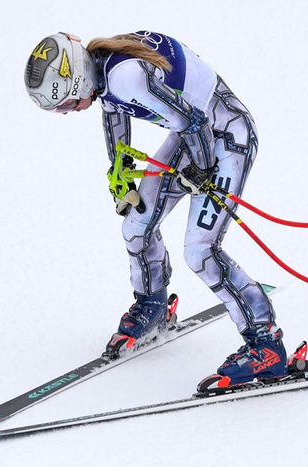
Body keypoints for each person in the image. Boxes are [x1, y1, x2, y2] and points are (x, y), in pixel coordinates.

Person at [24, 30, 288, 392]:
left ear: (79, 80)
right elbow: (114, 114)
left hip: (227, 137)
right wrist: (120, 168)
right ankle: (153, 306)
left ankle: (266, 343)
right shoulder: (103, 72)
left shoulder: (125, 75)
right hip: (192, 138)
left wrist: (203, 169)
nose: (68, 112)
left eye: (66, 104)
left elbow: (194, 121)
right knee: (136, 227)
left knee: (201, 251)